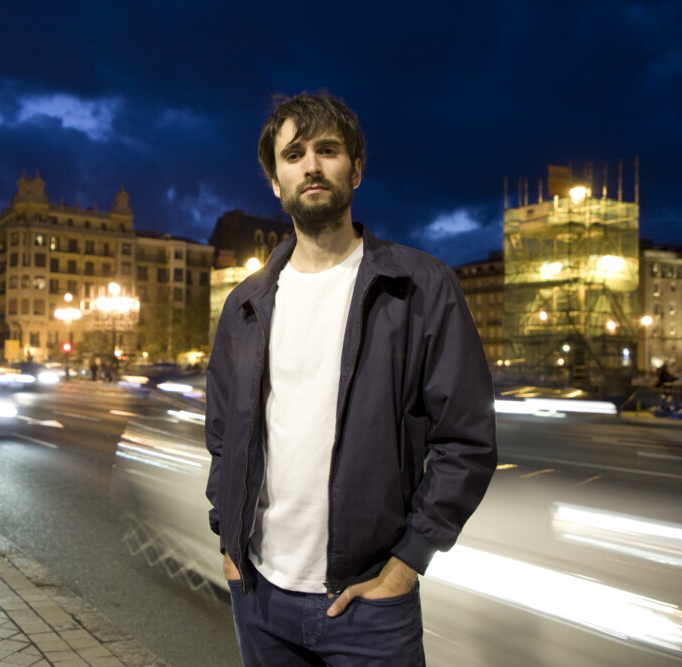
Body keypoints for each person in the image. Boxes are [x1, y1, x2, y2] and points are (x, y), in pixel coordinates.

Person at [205, 92, 497, 666]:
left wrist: (407, 562)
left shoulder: (420, 285)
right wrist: (229, 541)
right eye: (294, 155)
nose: (311, 166)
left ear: (356, 169)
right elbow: (221, 437)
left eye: (328, 150)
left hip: (371, 606)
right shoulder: (245, 304)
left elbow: (466, 441)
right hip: (259, 596)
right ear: (276, 182)